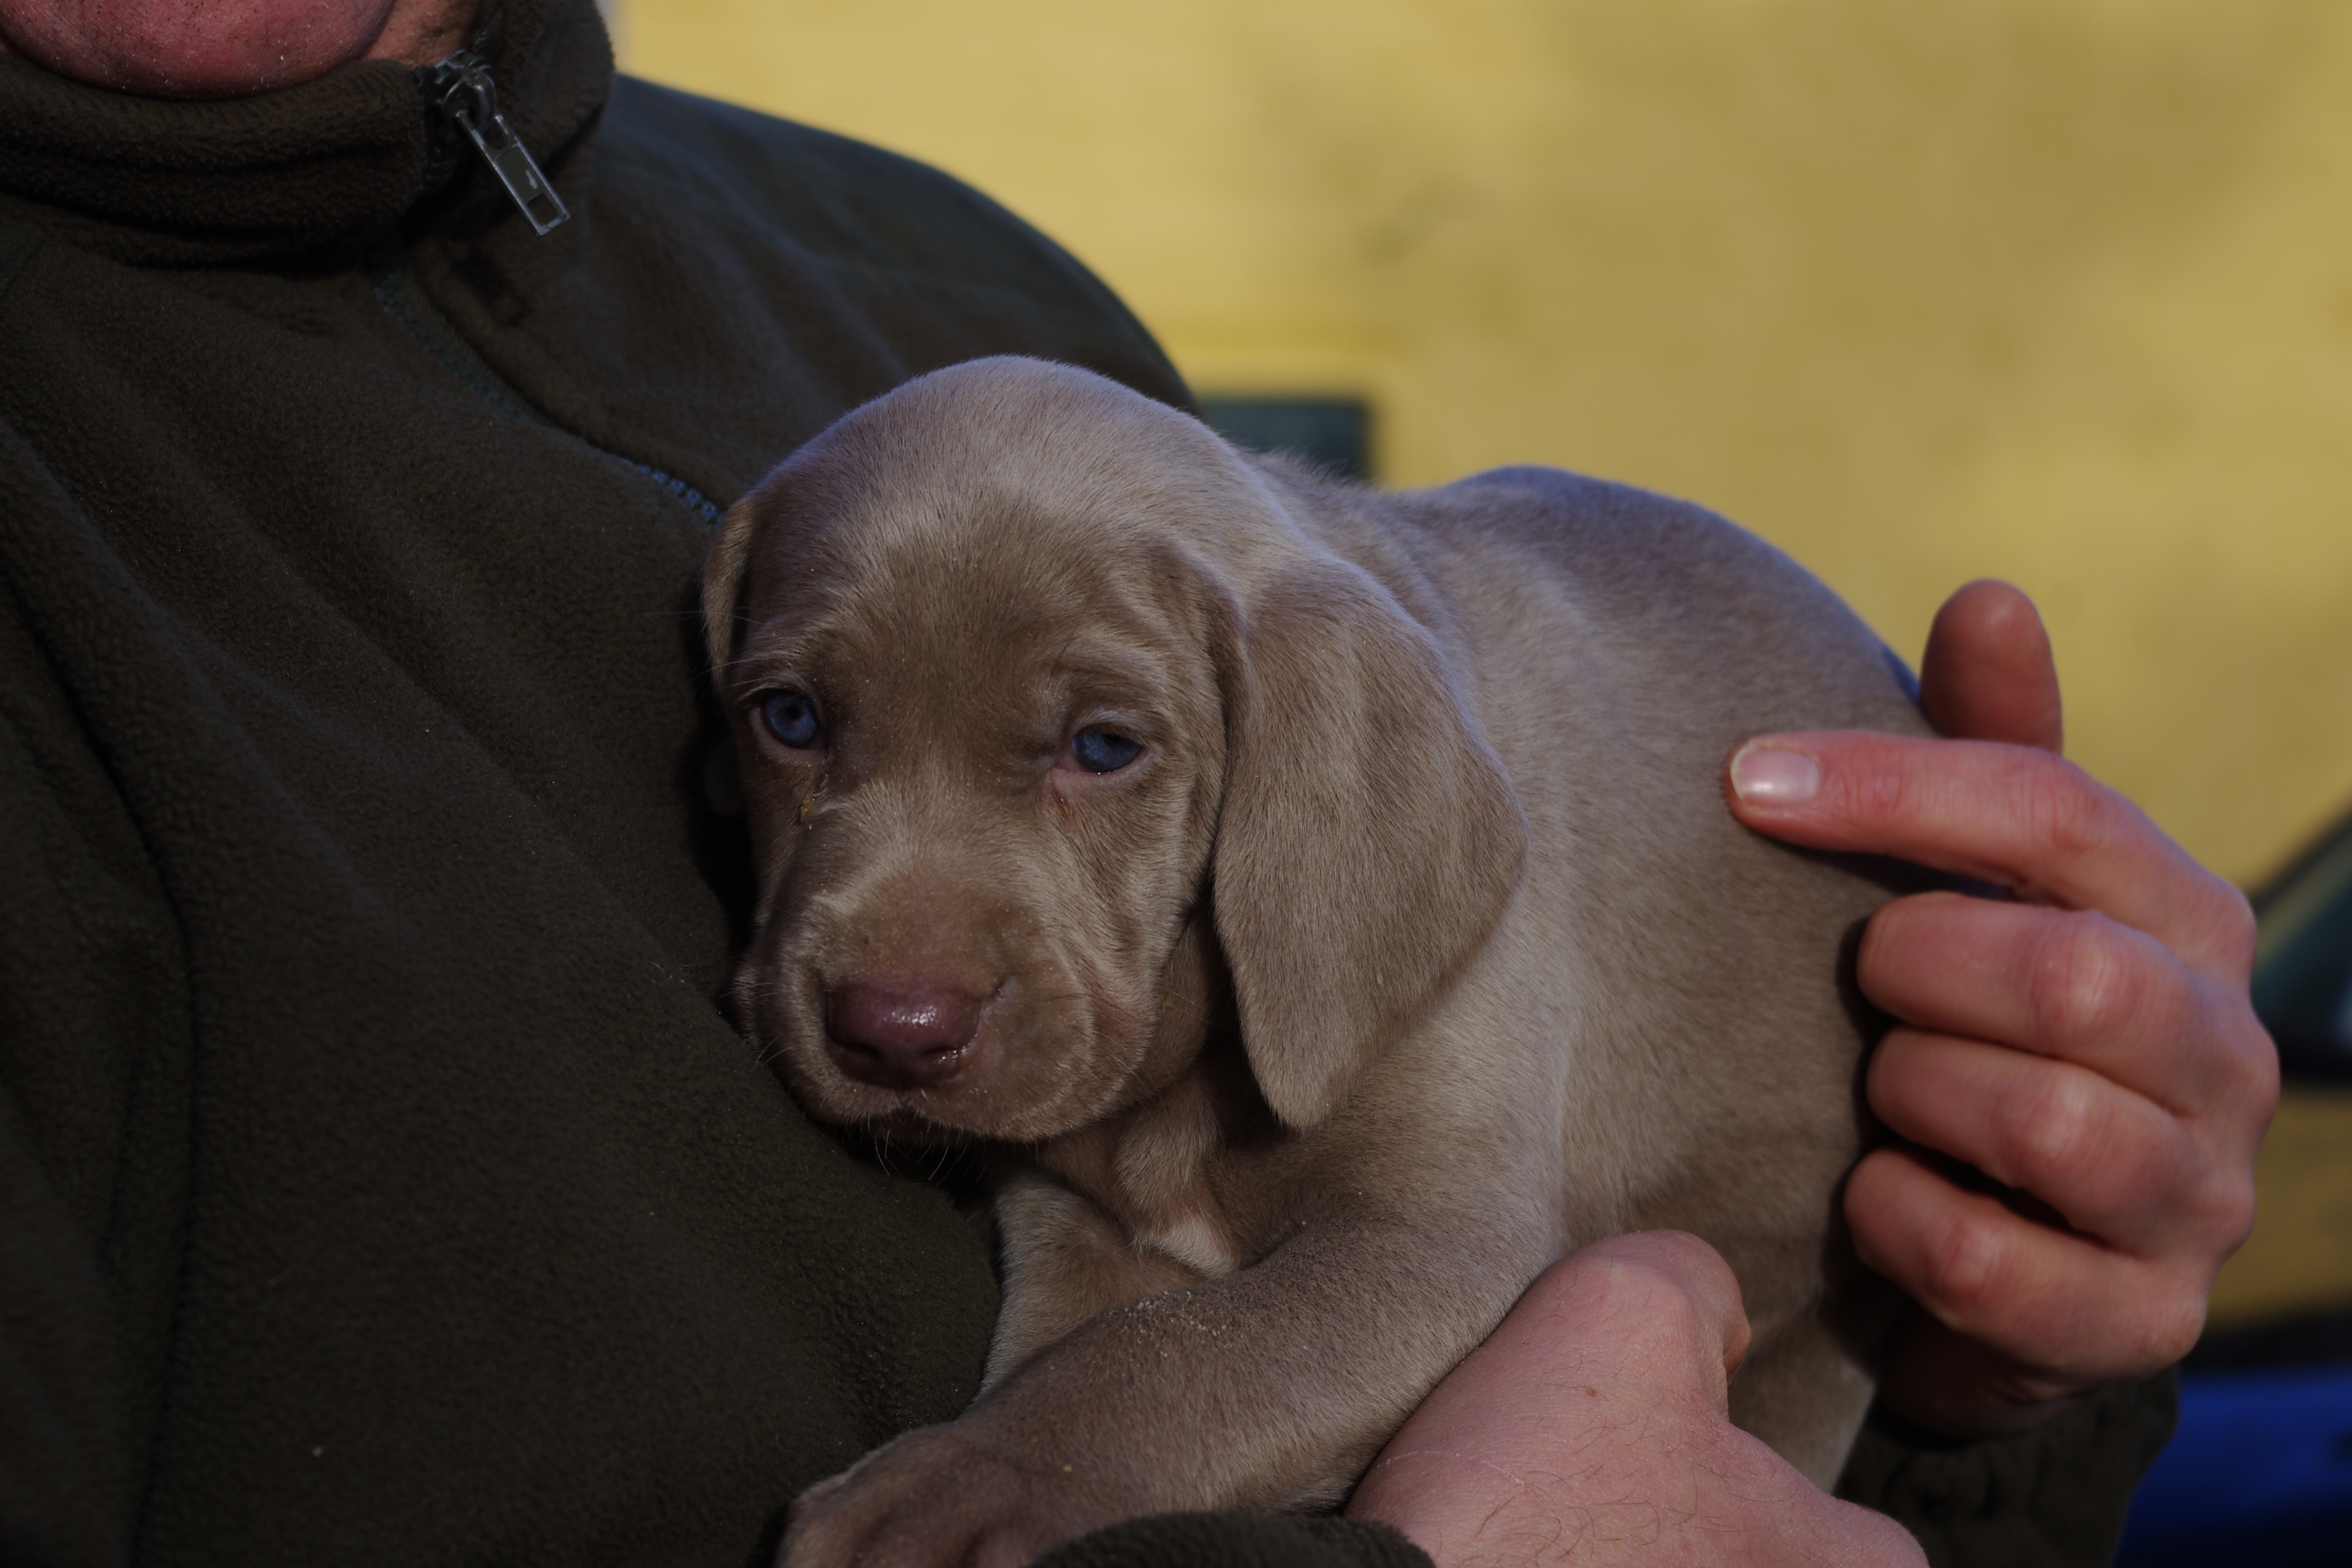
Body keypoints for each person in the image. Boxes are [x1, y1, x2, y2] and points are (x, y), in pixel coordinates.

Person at [0, 2, 2275, 1566]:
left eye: (1093, 750)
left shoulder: (955, 290)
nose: (884, 967)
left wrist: (1990, 1340)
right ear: (739, 682)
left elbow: (1459, 1277)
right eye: (795, 727)